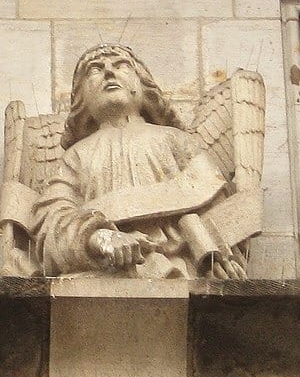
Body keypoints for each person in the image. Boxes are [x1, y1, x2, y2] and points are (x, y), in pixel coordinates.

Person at [31, 44, 239, 278]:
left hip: (179, 269)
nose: (109, 72)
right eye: (95, 69)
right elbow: (52, 221)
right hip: (100, 274)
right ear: (82, 98)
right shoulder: (75, 156)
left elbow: (214, 202)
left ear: (142, 85)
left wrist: (208, 250)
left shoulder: (176, 140)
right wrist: (98, 238)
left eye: (121, 65)